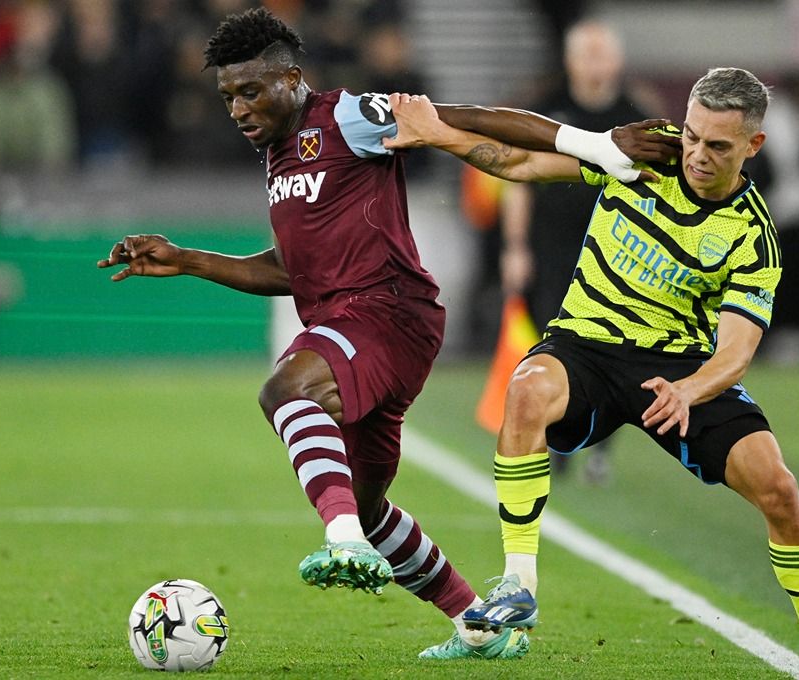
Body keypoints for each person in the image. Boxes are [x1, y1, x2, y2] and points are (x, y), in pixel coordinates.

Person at [96, 7, 675, 662]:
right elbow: (295, 269)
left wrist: (594, 145)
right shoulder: (280, 156)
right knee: (371, 505)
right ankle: (479, 625)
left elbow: (469, 119)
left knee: (286, 390)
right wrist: (190, 260)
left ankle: (341, 539)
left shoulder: (346, 116)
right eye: (228, 95)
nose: (237, 107)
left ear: (292, 78)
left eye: (251, 90)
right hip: (357, 328)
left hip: (388, 314)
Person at [384, 68, 799, 679]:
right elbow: (520, 164)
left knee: (780, 490)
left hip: (679, 368)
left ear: (753, 147)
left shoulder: (753, 235)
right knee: (524, 393)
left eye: (718, 146)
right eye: (695, 136)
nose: (698, 155)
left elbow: (735, 351)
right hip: (587, 343)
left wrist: (689, 389)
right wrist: (435, 132)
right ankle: (518, 584)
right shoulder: (649, 151)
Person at [499, 19, 650, 483]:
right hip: (554, 249)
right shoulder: (546, 110)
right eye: (586, 53)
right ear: (569, 60)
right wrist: (516, 247)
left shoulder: (637, 115)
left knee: (620, 344)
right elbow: (519, 180)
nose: (595, 62)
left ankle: (602, 446)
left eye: (602, 52)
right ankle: (562, 440)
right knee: (557, 343)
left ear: (618, 60)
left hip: (619, 253)